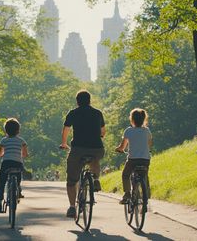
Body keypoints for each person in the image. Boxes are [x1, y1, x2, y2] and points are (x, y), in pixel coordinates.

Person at [60, 89, 105, 218]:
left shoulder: (73, 113)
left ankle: (72, 207)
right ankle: (96, 179)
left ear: (77, 101)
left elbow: (66, 130)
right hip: (97, 148)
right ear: (89, 100)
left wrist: (64, 143)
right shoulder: (97, 113)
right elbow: (103, 132)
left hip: (78, 149)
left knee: (71, 180)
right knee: (95, 158)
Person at [115, 108, 153, 212]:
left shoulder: (129, 131)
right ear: (144, 119)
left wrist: (119, 149)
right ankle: (146, 196)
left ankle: (127, 193)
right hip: (145, 159)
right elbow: (149, 144)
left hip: (133, 160)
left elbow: (123, 146)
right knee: (144, 175)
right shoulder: (147, 131)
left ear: (132, 120)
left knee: (126, 175)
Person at [0, 118, 29, 213]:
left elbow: (0, 153)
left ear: (6, 130)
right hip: (17, 163)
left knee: (2, 181)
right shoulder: (22, 141)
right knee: (18, 176)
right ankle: (17, 189)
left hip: (6, 163)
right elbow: (25, 154)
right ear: (18, 130)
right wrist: (22, 155)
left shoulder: (3, 141)